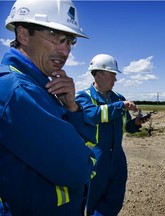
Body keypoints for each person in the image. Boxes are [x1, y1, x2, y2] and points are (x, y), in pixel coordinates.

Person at [0, 0, 97, 215]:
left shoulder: (42, 85)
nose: (65, 51)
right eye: (54, 35)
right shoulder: (18, 91)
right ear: (23, 35)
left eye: (70, 41)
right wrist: (88, 157)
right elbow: (80, 169)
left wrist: (72, 108)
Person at [75, 54, 149, 216]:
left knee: (114, 199)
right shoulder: (83, 97)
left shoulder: (118, 98)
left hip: (117, 157)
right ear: (98, 73)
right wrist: (120, 106)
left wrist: (137, 123)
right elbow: (92, 115)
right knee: (91, 199)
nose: (115, 79)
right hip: (95, 158)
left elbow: (127, 127)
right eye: (112, 75)